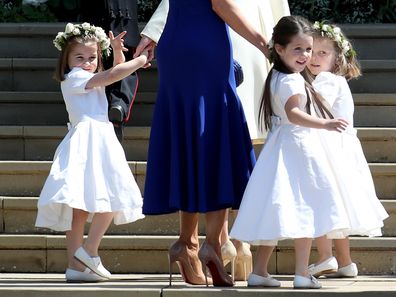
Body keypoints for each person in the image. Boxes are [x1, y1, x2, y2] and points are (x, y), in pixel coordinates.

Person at [134, 0, 290, 282]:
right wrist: (265, 45)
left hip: (175, 41)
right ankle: (213, 246)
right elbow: (221, 4)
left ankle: (186, 244)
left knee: (188, 138)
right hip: (205, 43)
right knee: (218, 136)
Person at [230, 16, 353, 289]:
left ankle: (260, 270)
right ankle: (301, 273)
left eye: (308, 49)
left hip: (280, 146)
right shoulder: (293, 81)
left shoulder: (276, 75)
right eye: (298, 49)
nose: (305, 55)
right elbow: (294, 114)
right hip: (299, 146)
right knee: (305, 208)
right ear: (280, 48)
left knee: (279, 208)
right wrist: (326, 123)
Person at [35, 22, 148, 282]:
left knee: (86, 205)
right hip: (90, 139)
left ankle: (77, 265)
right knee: (107, 196)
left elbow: (113, 74)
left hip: (98, 137)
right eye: (80, 57)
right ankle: (88, 251)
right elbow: (111, 76)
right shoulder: (74, 78)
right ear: (67, 59)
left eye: (92, 57)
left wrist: (118, 52)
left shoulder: (87, 77)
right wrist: (139, 60)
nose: (86, 62)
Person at [305, 21, 389, 278]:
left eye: (323, 53)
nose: (315, 58)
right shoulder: (331, 80)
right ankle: (345, 262)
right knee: (336, 206)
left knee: (321, 202)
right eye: (311, 51)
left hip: (329, 149)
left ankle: (325, 257)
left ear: (336, 58)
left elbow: (313, 109)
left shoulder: (327, 81)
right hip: (340, 150)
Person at [80, 0, 141, 142]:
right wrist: (143, 58)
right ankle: (118, 103)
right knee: (124, 62)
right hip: (122, 16)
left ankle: (101, 109)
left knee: (94, 62)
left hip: (96, 15)